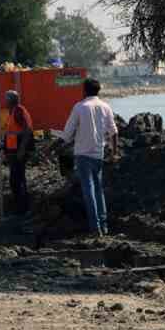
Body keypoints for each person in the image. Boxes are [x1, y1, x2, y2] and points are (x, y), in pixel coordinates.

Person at [61, 77, 117, 236]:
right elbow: (114, 132)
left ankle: (95, 228)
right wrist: (114, 152)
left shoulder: (79, 107)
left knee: (89, 191)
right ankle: (104, 226)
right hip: (98, 154)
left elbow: (67, 134)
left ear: (84, 91)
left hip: (82, 154)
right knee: (99, 190)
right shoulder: (105, 107)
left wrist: (52, 147)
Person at [0, 89, 34, 214]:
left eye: (6, 99)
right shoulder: (13, 112)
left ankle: (22, 207)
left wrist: (22, 150)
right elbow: (12, 133)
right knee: (16, 179)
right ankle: (20, 207)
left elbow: (27, 131)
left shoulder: (19, 111)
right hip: (13, 151)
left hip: (19, 152)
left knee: (17, 179)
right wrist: (3, 146)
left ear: (11, 100)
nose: (4, 101)